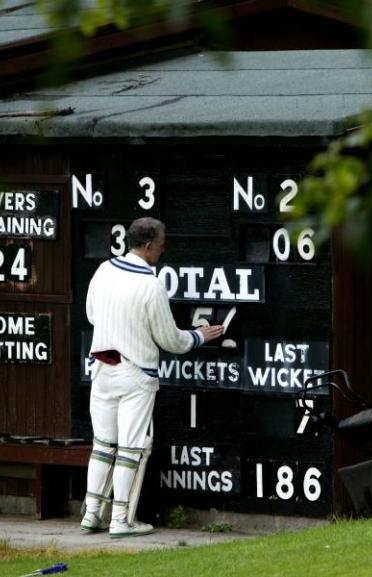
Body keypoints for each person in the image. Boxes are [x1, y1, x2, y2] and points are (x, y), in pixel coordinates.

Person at [81, 217, 223, 538]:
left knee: (102, 445)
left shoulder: (103, 271)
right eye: (161, 243)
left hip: (102, 368)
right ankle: (120, 519)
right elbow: (170, 340)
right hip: (136, 375)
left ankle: (91, 514)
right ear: (148, 246)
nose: (164, 248)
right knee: (131, 448)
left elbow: (91, 314)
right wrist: (198, 336)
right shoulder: (151, 284)